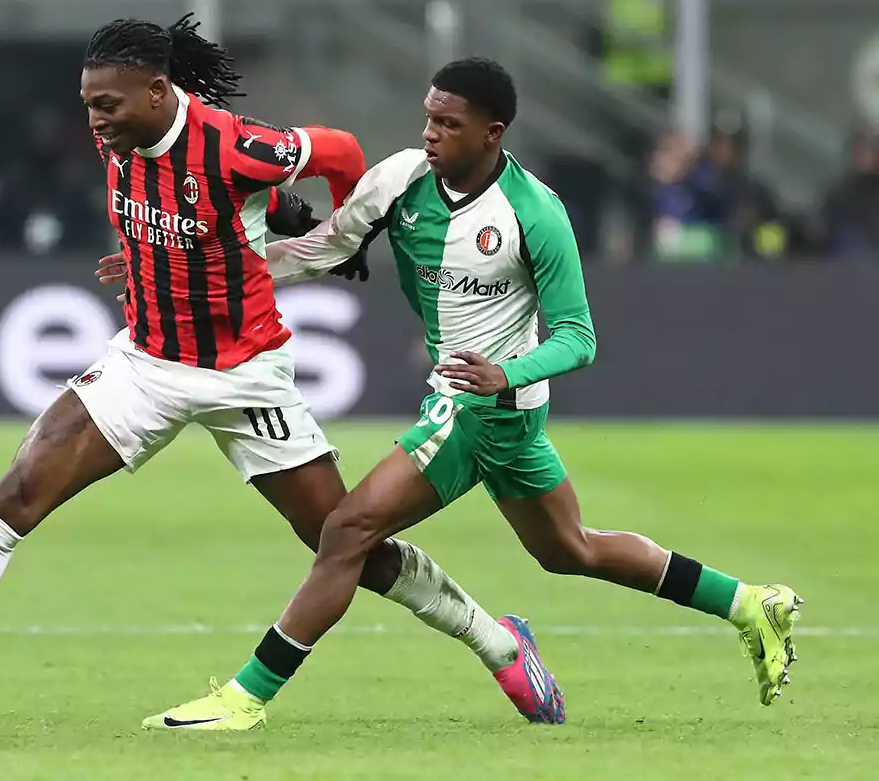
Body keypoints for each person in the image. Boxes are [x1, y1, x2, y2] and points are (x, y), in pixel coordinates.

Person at [0, 18, 554, 729]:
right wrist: (147, 259)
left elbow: (338, 149)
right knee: (18, 492)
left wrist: (340, 236)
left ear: (158, 92)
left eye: (108, 103)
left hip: (248, 376)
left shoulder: (238, 148)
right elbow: (186, 221)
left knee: (340, 541)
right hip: (147, 363)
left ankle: (498, 644)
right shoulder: (119, 140)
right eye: (88, 104)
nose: (96, 119)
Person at [141, 57, 802, 731]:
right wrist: (192, 269)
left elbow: (578, 337)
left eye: (449, 124)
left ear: (492, 133)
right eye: (429, 117)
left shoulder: (534, 213)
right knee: (570, 550)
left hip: (482, 407)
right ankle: (749, 602)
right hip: (492, 411)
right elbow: (326, 248)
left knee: (345, 530)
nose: (431, 133)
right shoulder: (400, 180)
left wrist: (504, 374)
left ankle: (244, 698)